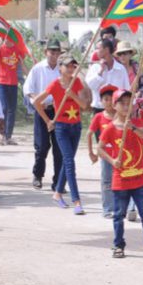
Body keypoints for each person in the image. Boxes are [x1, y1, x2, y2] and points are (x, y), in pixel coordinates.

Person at [98, 89, 143, 260]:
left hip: (139, 179)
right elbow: (100, 149)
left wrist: (132, 127)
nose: (126, 106)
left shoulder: (136, 122)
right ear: (114, 105)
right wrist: (112, 161)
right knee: (118, 215)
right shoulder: (111, 128)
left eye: (129, 103)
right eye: (122, 103)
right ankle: (118, 245)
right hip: (121, 181)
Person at [34, 54, 89, 214]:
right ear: (60, 68)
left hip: (76, 127)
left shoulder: (76, 82)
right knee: (70, 163)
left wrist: (72, 95)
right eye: (67, 65)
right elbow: (37, 102)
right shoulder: (54, 85)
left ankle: (57, 194)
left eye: (73, 66)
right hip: (62, 128)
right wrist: (47, 121)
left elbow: (84, 105)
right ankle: (77, 201)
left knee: (68, 161)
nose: (71, 68)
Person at [23, 38, 63, 190]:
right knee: (42, 146)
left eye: (57, 52)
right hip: (42, 111)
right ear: (46, 52)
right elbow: (28, 89)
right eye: (52, 52)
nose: (54, 55)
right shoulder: (38, 69)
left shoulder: (62, 70)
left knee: (59, 147)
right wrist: (37, 100)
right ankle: (38, 175)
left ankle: (58, 181)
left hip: (58, 111)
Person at [87, 84, 118, 218]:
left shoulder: (122, 116)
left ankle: (129, 208)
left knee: (125, 179)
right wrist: (91, 153)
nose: (109, 102)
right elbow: (89, 134)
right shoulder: (99, 117)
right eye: (105, 99)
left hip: (120, 154)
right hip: (105, 155)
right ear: (101, 101)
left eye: (111, 99)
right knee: (106, 181)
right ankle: (108, 209)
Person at [0, 37, 24, 145]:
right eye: (6, 37)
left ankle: (8, 136)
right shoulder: (0, 47)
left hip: (13, 82)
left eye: (10, 37)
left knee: (12, 110)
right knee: (3, 108)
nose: (8, 39)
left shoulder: (17, 48)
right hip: (1, 82)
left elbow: (22, 60)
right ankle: (2, 134)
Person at [86, 39, 130, 113]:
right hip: (99, 109)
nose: (96, 51)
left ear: (106, 50)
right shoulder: (95, 67)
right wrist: (101, 71)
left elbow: (126, 88)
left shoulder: (120, 69)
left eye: (98, 48)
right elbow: (91, 86)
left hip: (116, 109)